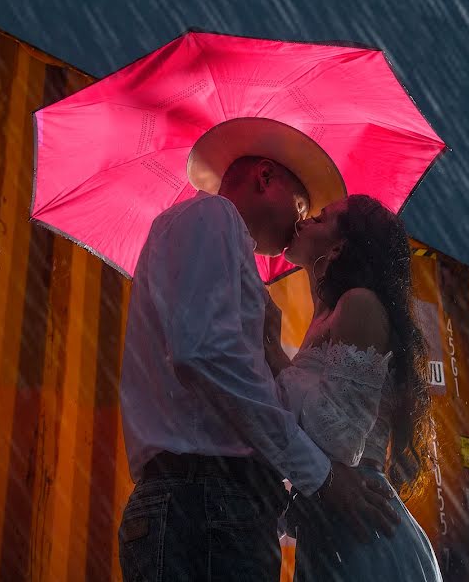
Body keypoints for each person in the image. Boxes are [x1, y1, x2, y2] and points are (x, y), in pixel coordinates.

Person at [117, 119, 400, 582]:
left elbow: (212, 362)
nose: (302, 219)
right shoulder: (214, 218)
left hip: (204, 505)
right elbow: (206, 355)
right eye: (303, 204)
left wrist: (264, 343)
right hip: (206, 505)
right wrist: (321, 477)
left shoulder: (216, 240)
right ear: (266, 177)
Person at [265, 194, 444, 581]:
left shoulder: (359, 304)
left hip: (365, 530)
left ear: (339, 245)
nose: (305, 221)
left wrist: (275, 360)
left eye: (321, 218)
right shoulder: (326, 316)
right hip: (335, 526)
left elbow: (341, 437)